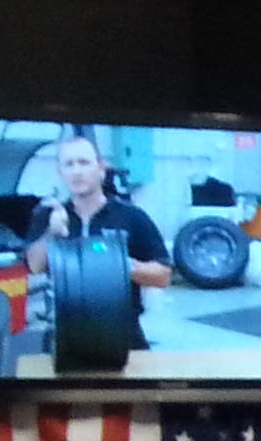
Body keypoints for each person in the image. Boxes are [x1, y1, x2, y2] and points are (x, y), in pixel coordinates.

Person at [23, 133, 172, 339]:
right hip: (66, 333)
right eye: (69, 164)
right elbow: (35, 266)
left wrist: (119, 264)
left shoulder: (131, 216)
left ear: (101, 169)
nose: (77, 171)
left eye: (84, 163)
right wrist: (51, 233)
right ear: (60, 172)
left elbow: (163, 276)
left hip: (122, 333)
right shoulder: (49, 215)